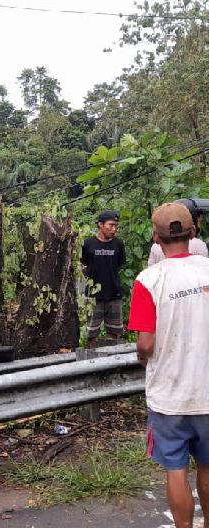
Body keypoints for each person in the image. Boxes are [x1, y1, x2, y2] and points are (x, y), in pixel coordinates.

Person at [128, 202, 209, 528]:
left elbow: (146, 343)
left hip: (169, 397)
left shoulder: (149, 280)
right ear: (193, 232)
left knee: (176, 469)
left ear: (155, 238)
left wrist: (141, 357)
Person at [80, 210, 126, 349]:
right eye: (111, 225)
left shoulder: (118, 244)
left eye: (116, 226)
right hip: (93, 297)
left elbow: (119, 265)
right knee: (91, 334)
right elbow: (82, 266)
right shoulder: (87, 244)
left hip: (114, 294)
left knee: (114, 332)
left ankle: (110, 363)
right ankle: (93, 364)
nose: (114, 229)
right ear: (100, 224)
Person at [148, 198, 208, 265]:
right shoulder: (199, 245)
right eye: (199, 218)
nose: (200, 221)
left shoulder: (155, 247)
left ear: (155, 236)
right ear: (192, 231)